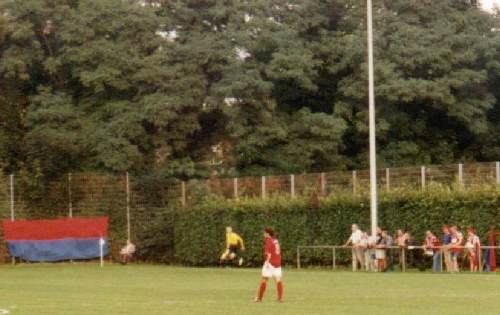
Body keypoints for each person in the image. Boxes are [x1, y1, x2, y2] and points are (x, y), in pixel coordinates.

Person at [255, 227, 283, 303]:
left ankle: (259, 298)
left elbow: (269, 254)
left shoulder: (269, 241)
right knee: (278, 280)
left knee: (264, 279)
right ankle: (280, 299)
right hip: (277, 263)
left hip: (270, 263)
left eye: (264, 233)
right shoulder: (275, 240)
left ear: (267, 233)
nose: (263, 234)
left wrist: (267, 263)